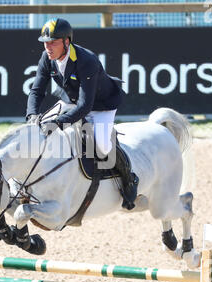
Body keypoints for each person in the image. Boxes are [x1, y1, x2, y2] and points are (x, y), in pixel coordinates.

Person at [25, 18, 138, 210]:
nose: (48, 47)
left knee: (102, 146)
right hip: (71, 101)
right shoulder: (47, 58)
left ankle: (129, 177)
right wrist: (32, 117)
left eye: (53, 42)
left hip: (100, 105)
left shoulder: (87, 60)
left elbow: (86, 106)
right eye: (45, 42)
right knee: (40, 126)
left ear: (66, 42)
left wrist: (59, 123)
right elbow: (37, 91)